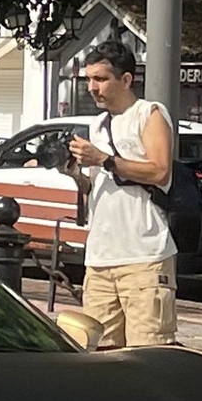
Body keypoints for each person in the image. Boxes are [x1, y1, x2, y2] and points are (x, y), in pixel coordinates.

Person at [67, 40, 177, 348]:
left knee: (147, 355)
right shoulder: (97, 125)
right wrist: (74, 172)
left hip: (144, 256)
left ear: (126, 80)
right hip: (101, 258)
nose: (92, 87)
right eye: (88, 79)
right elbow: (96, 186)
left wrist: (103, 159)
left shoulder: (149, 114)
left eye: (100, 79)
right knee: (99, 354)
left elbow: (159, 171)